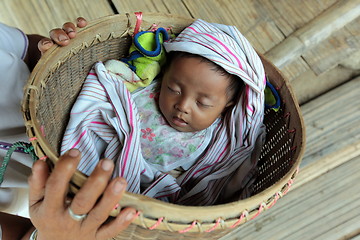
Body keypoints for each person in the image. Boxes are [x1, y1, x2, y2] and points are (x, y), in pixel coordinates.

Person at [60, 19, 266, 206]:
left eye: (202, 103)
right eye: (173, 89)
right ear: (163, 76)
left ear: (227, 106)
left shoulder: (216, 141)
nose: (183, 105)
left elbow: (208, 179)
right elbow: (111, 90)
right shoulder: (145, 90)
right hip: (103, 165)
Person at [0, 18, 136, 240]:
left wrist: (49, 59)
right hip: (62, 197)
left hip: (76, 100)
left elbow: (26, 50)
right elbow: (19, 234)